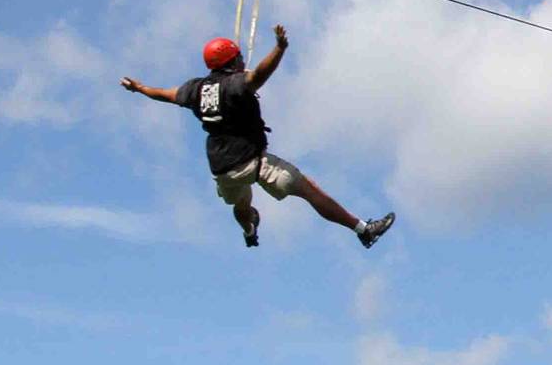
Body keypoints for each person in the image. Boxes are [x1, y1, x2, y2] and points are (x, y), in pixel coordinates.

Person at [122, 27, 395, 250]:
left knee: (242, 205)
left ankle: (249, 228)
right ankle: (363, 230)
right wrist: (279, 49)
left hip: (223, 169)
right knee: (309, 190)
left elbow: (165, 94)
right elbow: (260, 74)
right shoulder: (236, 85)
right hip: (255, 161)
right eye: (239, 58)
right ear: (233, 62)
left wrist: (140, 88)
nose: (243, 61)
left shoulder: (196, 89)